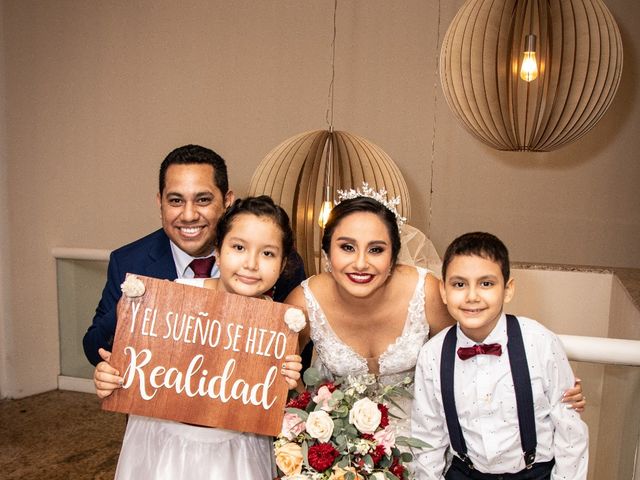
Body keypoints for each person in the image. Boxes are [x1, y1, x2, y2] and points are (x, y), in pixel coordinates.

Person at [285, 186, 585, 439]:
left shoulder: (425, 292)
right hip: (334, 446)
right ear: (326, 252)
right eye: (347, 247)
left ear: (394, 254)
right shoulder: (304, 300)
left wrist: (548, 384)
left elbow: (475, 354)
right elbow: (278, 379)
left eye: (376, 250)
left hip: (424, 442)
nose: (361, 263)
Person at [94, 195, 304, 479]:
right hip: (162, 449)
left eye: (268, 253)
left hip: (238, 455)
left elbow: (291, 408)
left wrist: (291, 384)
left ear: (282, 264)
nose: (251, 264)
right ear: (218, 251)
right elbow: (131, 371)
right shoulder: (174, 296)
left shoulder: (278, 327)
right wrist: (110, 376)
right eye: (239, 247)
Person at [82, 144, 306, 366]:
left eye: (203, 200)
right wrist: (133, 305)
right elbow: (95, 350)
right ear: (160, 202)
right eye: (176, 201)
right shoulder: (129, 262)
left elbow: (298, 356)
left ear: (226, 201)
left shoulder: (278, 265)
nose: (189, 215)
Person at [411, 232, 588, 479]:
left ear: (507, 289)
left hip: (534, 473)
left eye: (486, 283)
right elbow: (428, 438)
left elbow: (570, 434)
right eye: (459, 284)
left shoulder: (541, 342)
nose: (472, 296)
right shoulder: (432, 355)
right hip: (466, 473)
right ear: (443, 291)